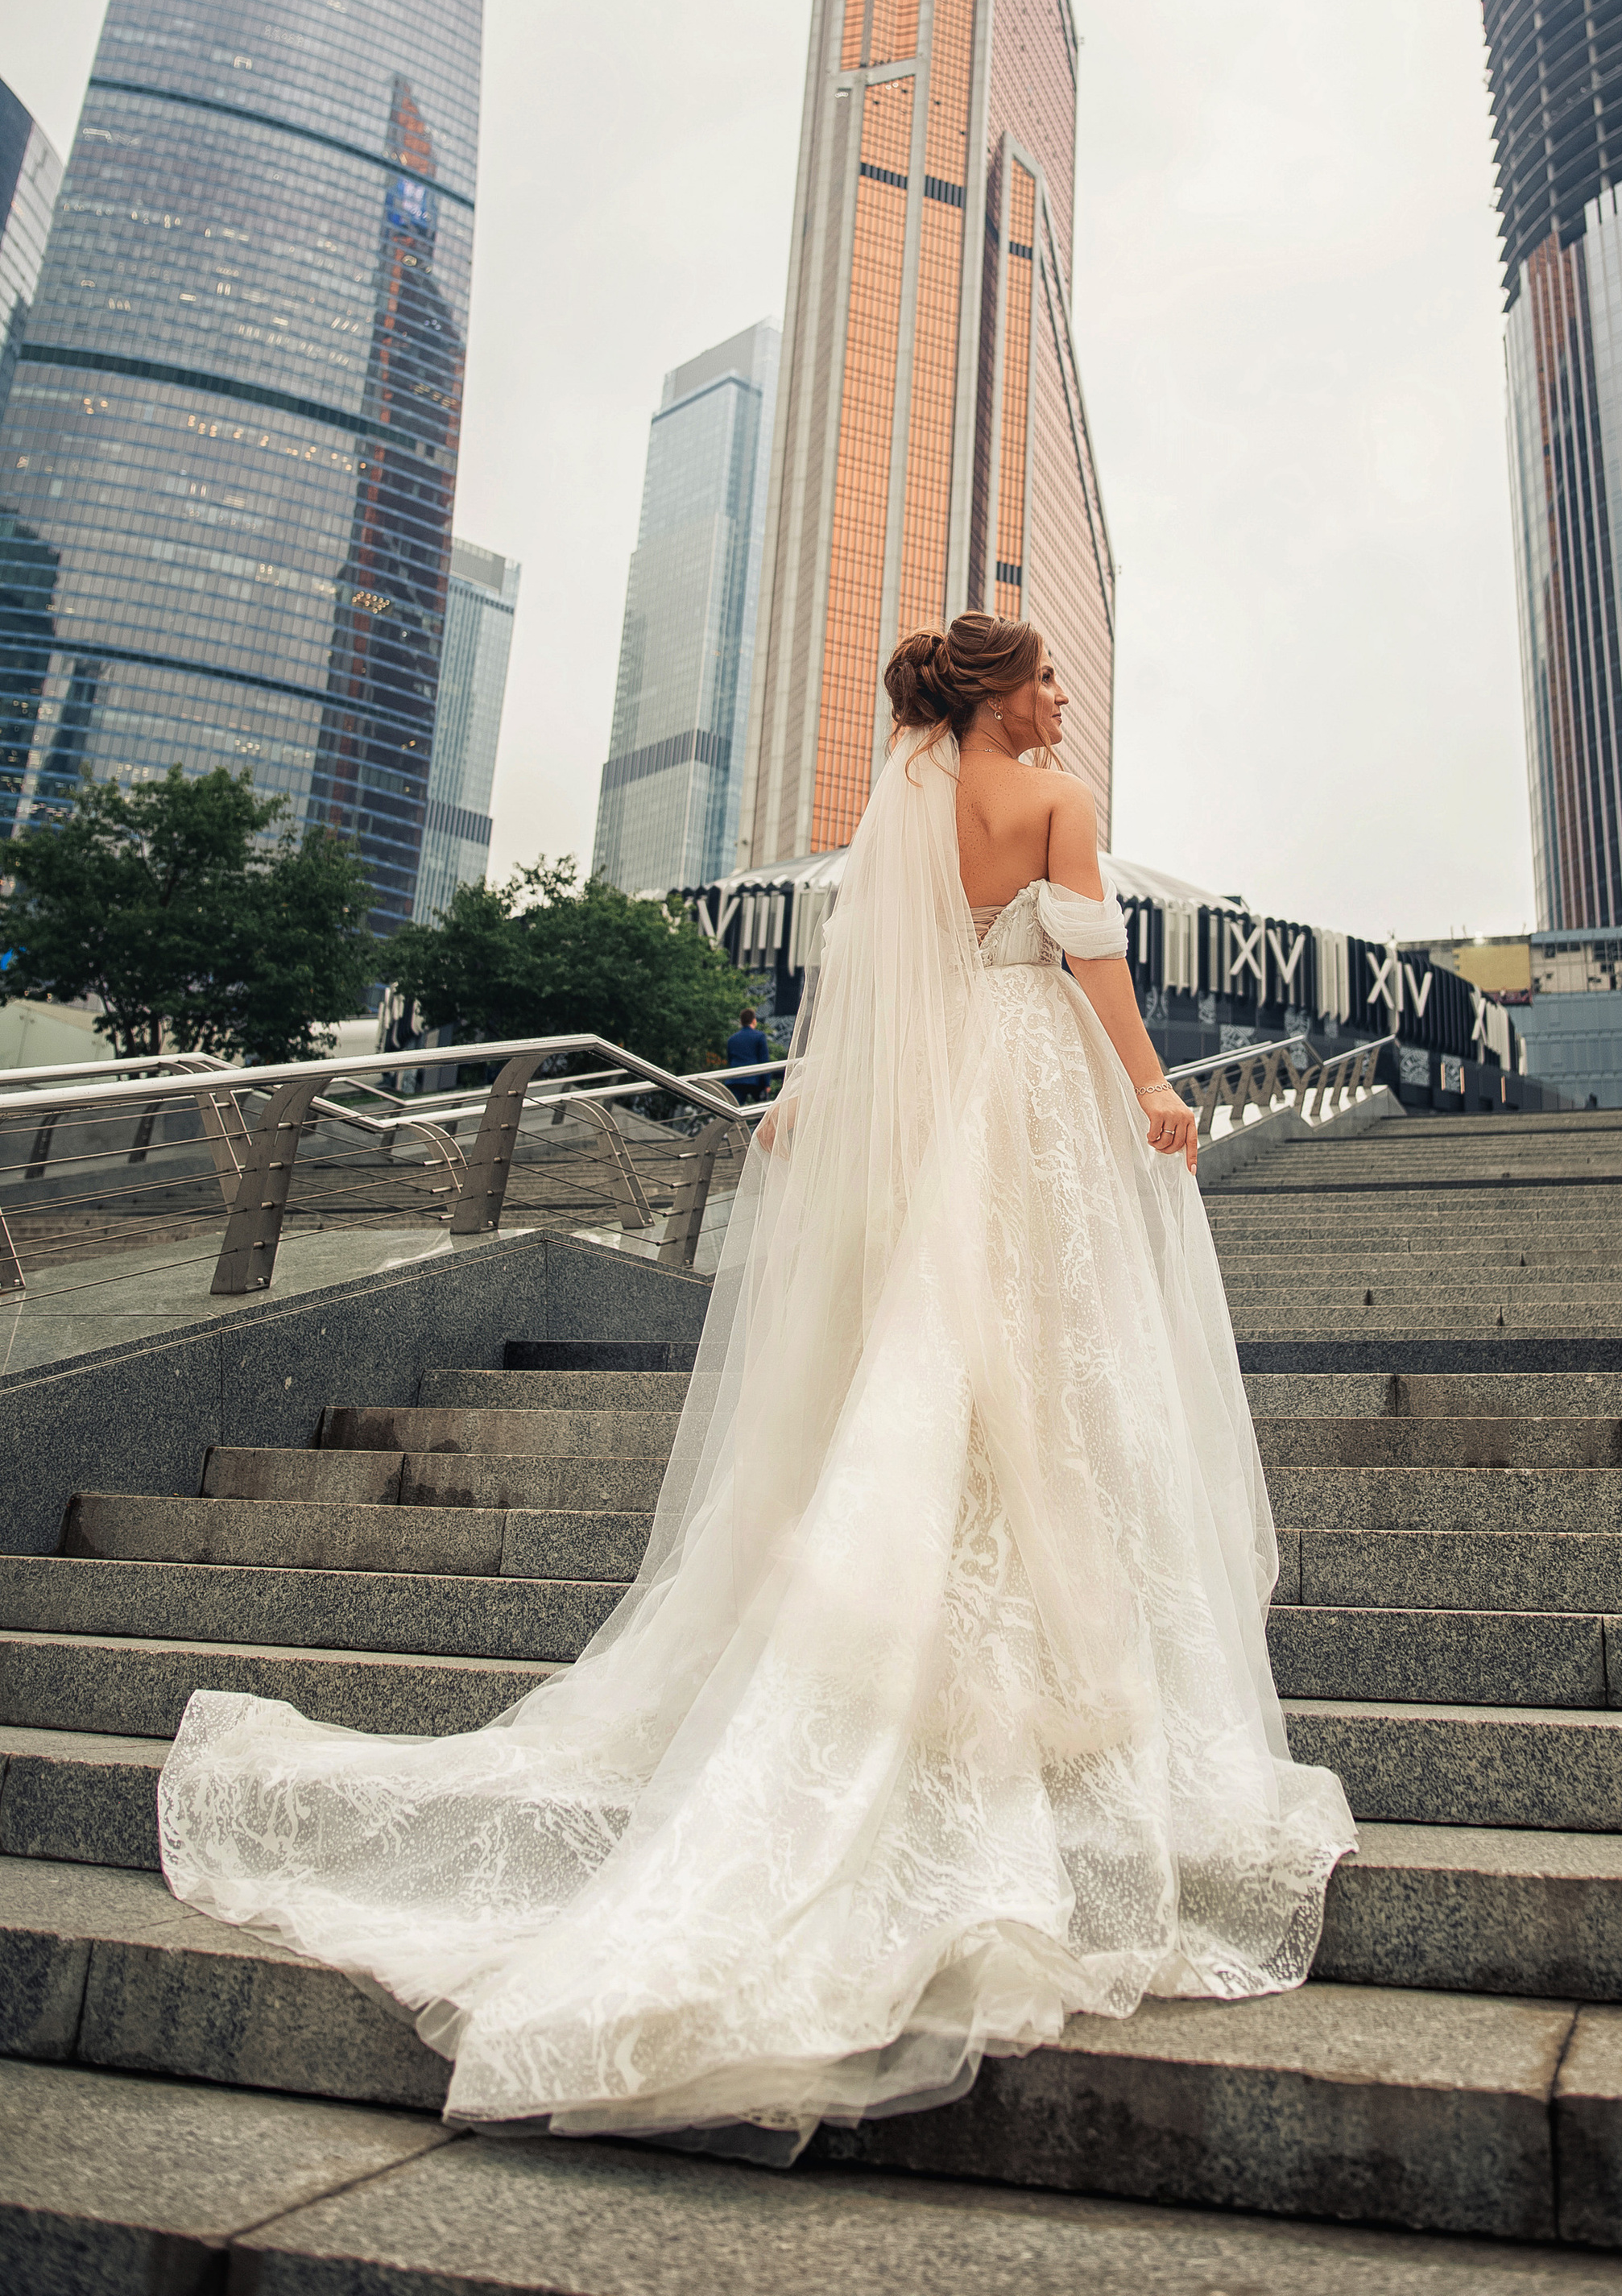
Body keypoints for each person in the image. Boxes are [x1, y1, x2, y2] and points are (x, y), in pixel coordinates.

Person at [156, 611, 1355, 2153]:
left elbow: (865, 974)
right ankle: (1026, 1684)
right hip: (1037, 1090)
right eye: (1046, 679)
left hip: (938, 1111)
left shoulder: (915, 804)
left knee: (937, 1350)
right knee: (1043, 1367)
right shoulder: (1056, 806)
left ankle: (934, 1654)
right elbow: (1098, 970)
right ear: (996, 695)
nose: (1064, 699)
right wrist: (1148, 1088)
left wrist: (807, 1095)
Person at [722, 1006, 774, 1103]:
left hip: (735, 1079)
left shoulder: (732, 1039)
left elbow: (730, 1059)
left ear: (741, 1022)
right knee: (761, 1111)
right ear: (754, 1021)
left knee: (735, 1111)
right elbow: (764, 1060)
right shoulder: (759, 1037)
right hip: (755, 1079)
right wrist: (767, 1083)